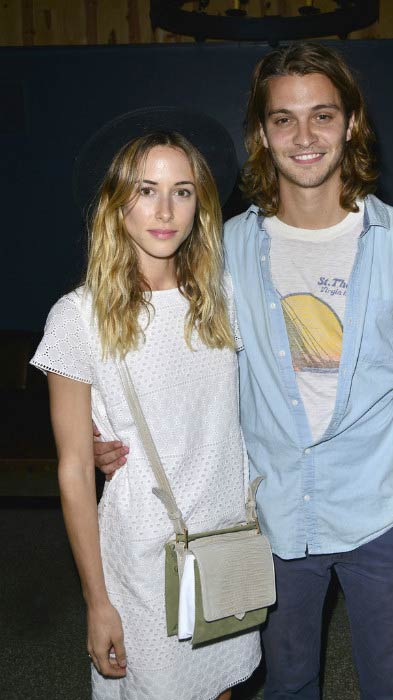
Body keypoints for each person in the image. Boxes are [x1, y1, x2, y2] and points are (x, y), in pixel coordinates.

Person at [94, 44, 393, 700]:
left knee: (390, 689)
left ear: (351, 124)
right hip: (265, 519)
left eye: (321, 115)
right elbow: (175, 365)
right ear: (262, 133)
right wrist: (109, 434)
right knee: (284, 685)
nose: (304, 136)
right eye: (283, 119)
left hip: (383, 515)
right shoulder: (224, 248)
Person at [31, 107, 261, 700]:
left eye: (181, 192)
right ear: (116, 202)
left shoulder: (225, 299)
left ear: (200, 203)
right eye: (146, 190)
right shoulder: (77, 318)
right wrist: (97, 601)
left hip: (225, 541)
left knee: (223, 687)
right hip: (140, 555)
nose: (164, 211)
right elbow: (76, 468)